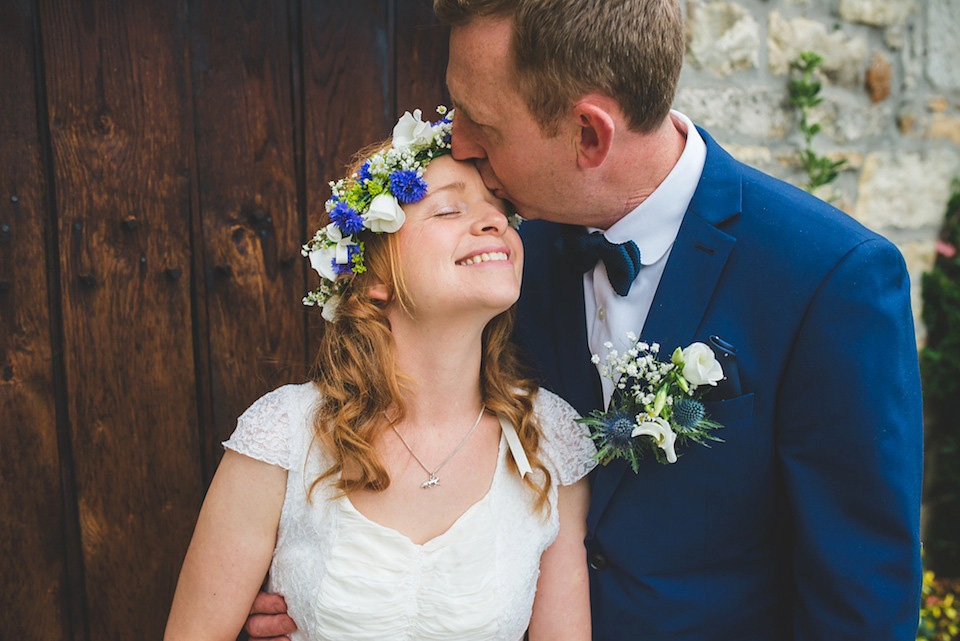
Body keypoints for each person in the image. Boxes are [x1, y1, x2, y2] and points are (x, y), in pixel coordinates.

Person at [248, 0, 924, 639]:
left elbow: (861, 607)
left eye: (483, 120)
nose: (460, 139)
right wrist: (334, 590)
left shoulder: (831, 280)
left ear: (588, 133)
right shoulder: (495, 268)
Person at [164, 109, 595, 641]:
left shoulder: (551, 440)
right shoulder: (283, 435)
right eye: (448, 210)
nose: (495, 222)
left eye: (502, 210)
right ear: (374, 278)